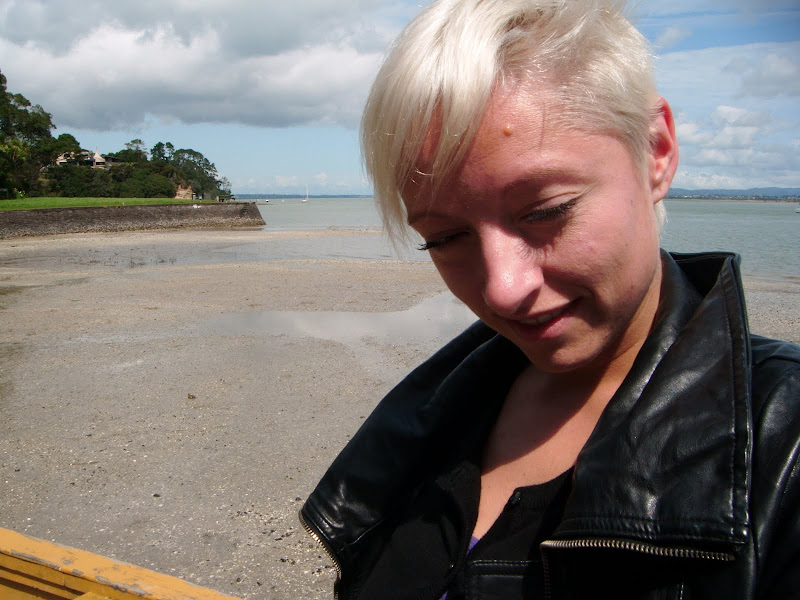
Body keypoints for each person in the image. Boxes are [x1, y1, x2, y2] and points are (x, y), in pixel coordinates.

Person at [300, 0, 800, 598]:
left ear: (656, 152)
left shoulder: (784, 441)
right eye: (445, 238)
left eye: (546, 211)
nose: (503, 289)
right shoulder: (431, 416)